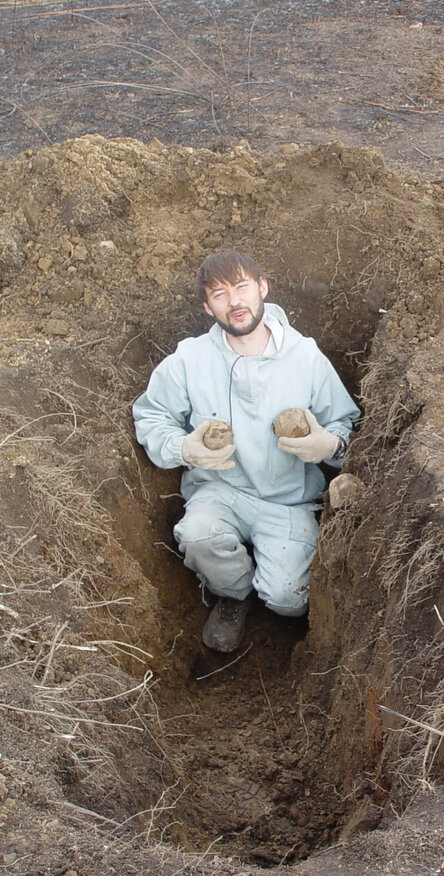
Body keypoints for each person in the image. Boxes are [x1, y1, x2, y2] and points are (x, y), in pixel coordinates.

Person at [133, 250, 360, 652]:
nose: (234, 301)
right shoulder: (190, 359)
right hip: (220, 491)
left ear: (262, 287)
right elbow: (151, 417)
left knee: (291, 600)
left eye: (241, 287)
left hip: (288, 500)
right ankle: (233, 593)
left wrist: (330, 445)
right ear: (207, 307)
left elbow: (346, 423)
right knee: (198, 535)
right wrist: (182, 447)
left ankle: (268, 581)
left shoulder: (305, 356)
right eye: (220, 294)